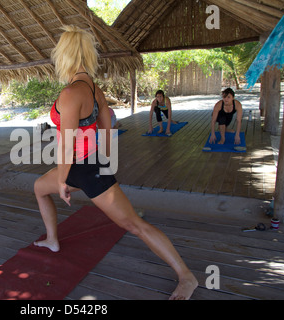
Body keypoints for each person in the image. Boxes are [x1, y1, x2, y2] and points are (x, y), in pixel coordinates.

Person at [33, 25, 198, 300]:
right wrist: (106, 162)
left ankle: (187, 276)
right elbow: (107, 130)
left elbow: (66, 144)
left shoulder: (71, 93)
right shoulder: (94, 89)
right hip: (89, 166)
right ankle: (52, 240)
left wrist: (63, 182)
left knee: (134, 224)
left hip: (83, 168)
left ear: (65, 55)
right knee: (39, 187)